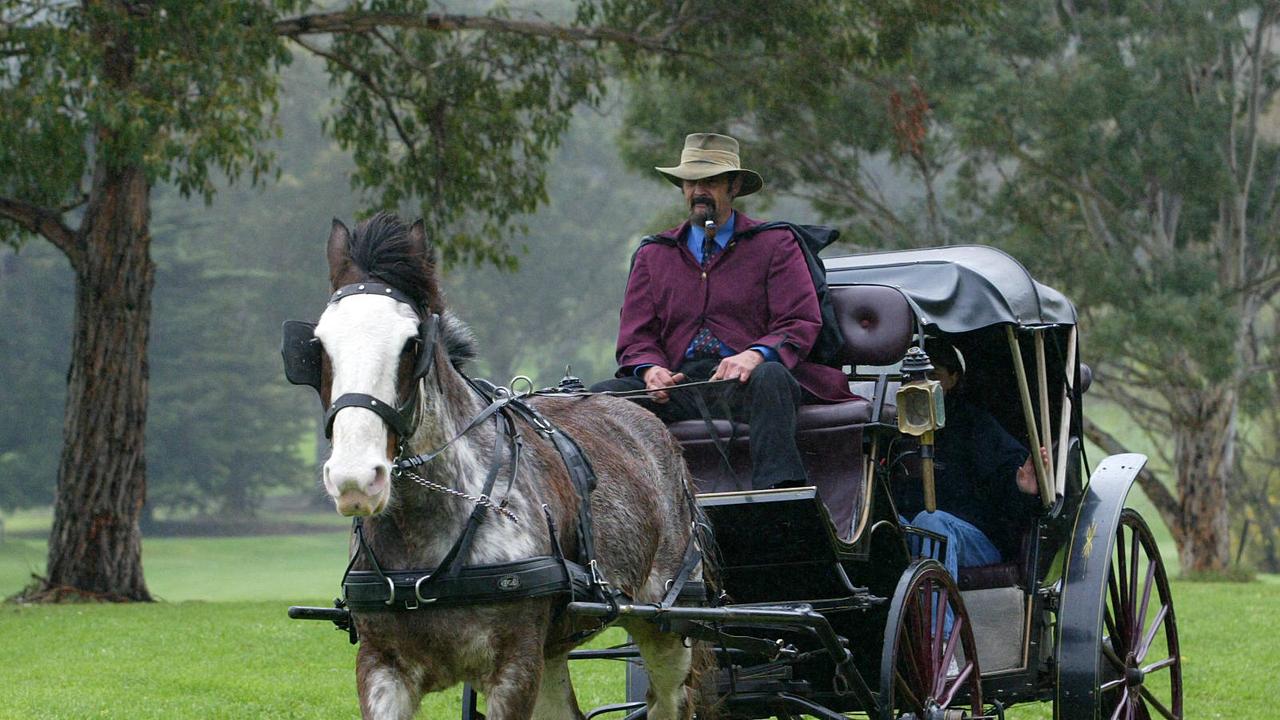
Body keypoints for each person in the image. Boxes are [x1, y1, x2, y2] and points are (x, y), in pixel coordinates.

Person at [591, 132, 854, 490]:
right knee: (599, 398)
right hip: (681, 388)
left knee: (772, 378)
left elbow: (799, 320)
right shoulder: (655, 254)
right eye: (691, 182)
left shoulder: (776, 243)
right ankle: (618, 511)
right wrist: (650, 369)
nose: (699, 191)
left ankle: (780, 500)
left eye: (710, 181)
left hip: (748, 384)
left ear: (733, 187)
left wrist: (755, 355)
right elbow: (637, 336)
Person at [895, 337, 1048, 582]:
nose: (922, 384)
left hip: (976, 543)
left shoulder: (975, 425)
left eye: (933, 375)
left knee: (930, 523)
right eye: (913, 378)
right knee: (891, 525)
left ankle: (937, 621)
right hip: (915, 535)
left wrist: (1018, 485)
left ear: (953, 378)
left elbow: (1010, 487)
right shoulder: (894, 427)